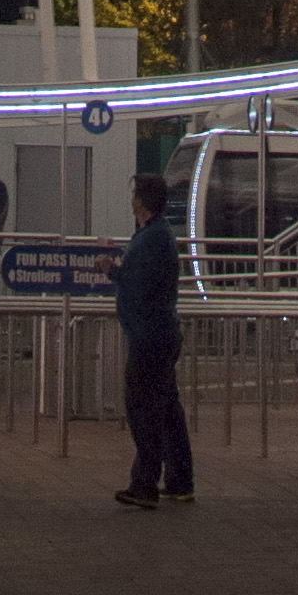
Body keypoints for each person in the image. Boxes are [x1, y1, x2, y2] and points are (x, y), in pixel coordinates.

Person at [113, 170, 194, 507]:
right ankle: (179, 480)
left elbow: (138, 283)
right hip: (159, 333)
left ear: (142, 201)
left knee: (143, 409)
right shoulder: (156, 235)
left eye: (134, 194)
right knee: (167, 409)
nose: (131, 200)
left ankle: (145, 482)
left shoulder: (151, 239)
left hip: (149, 336)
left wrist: (112, 271)